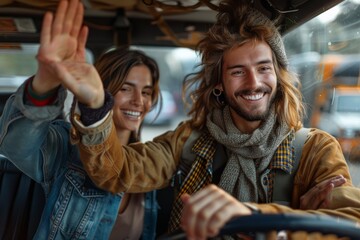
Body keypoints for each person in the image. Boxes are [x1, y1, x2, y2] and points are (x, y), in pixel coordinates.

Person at [50, 0, 360, 240]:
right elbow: (116, 172)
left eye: (264, 68)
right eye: (238, 72)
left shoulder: (315, 149)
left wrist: (254, 218)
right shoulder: (189, 140)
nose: (254, 82)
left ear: (278, 76)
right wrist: (94, 104)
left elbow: (351, 220)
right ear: (218, 86)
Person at [0, 0, 161, 239]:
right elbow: (16, 144)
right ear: (101, 90)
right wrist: (43, 87)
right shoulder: (67, 149)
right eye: (126, 89)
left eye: (146, 92)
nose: (139, 101)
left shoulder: (148, 162)